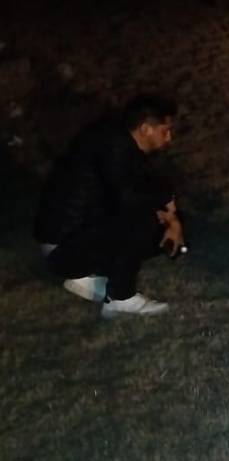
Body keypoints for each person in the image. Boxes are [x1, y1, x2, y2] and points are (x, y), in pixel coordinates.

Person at [35, 95, 183, 318]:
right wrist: (165, 204)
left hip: (80, 235)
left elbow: (148, 184)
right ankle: (120, 297)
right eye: (165, 130)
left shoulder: (122, 143)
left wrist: (172, 218)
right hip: (63, 248)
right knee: (141, 218)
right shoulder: (111, 146)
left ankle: (94, 279)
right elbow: (129, 197)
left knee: (159, 231)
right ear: (146, 129)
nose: (169, 137)